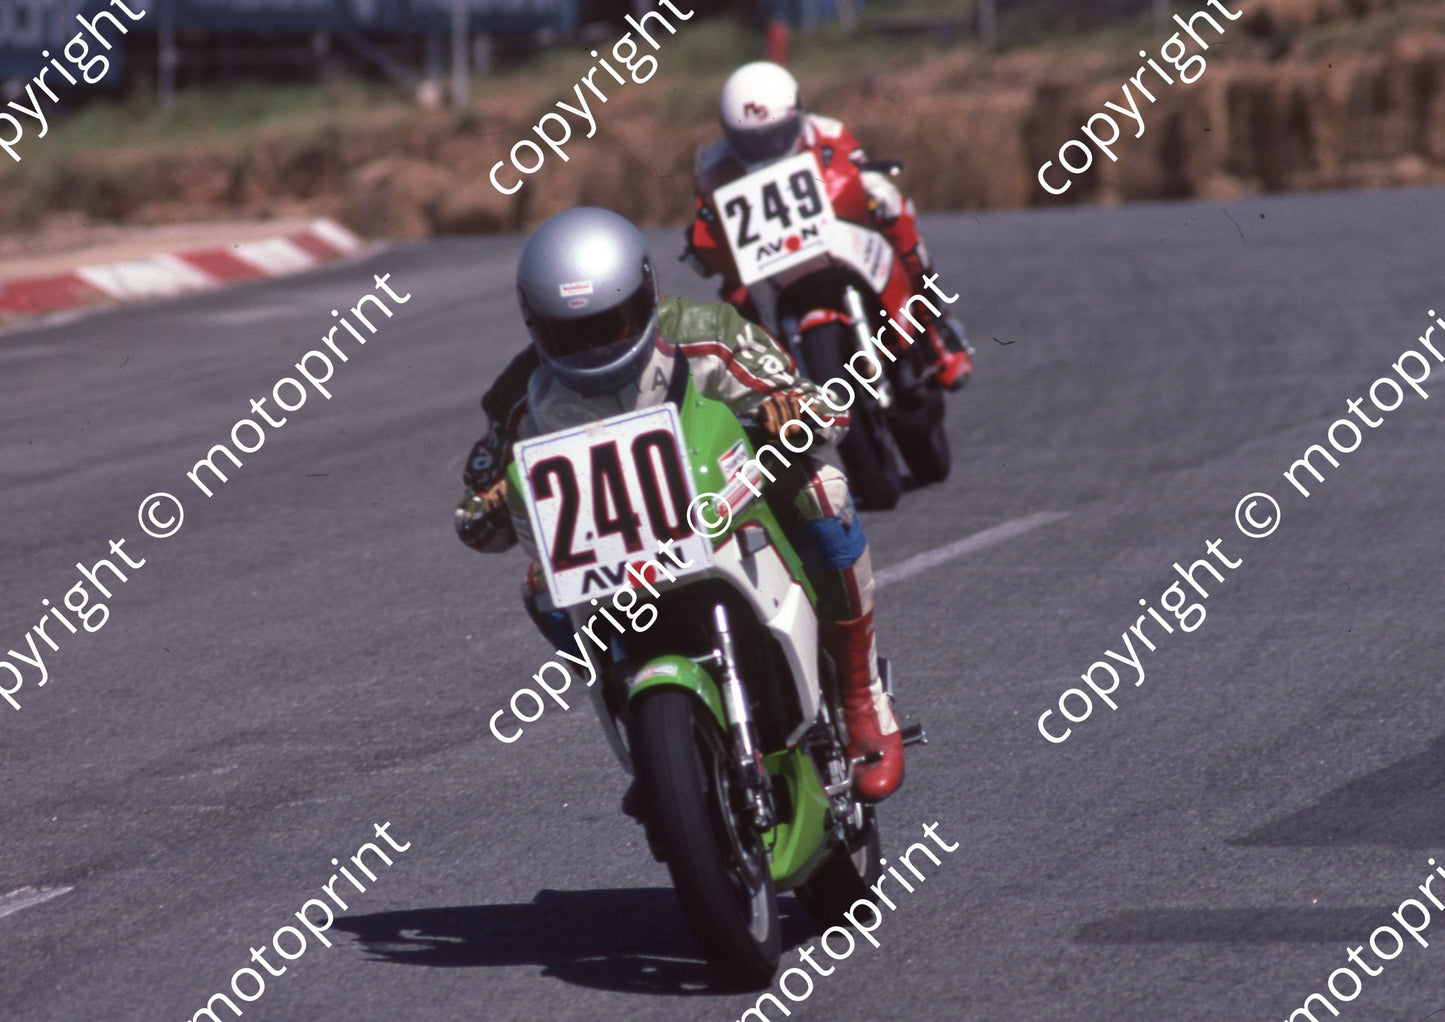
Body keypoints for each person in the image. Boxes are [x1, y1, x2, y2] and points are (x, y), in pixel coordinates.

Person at [456, 206, 904, 801]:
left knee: (823, 490)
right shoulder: (516, 396)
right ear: (535, 327)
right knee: (539, 585)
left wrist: (793, 411)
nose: (593, 350)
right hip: (614, 559)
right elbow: (479, 515)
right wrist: (489, 504)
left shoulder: (709, 332)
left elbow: (827, 406)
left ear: (645, 300)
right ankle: (646, 736)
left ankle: (858, 692)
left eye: (611, 326)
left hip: (726, 506)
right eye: (572, 336)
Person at [684, 59, 973, 390]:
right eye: (750, 142)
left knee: (897, 212)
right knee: (733, 297)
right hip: (767, 262)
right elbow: (705, 218)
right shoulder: (713, 167)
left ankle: (935, 329)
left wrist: (873, 191)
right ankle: (770, 395)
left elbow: (860, 170)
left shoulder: (828, 132)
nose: (765, 150)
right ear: (730, 135)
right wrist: (703, 241)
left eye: (776, 136)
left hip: (834, 236)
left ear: (797, 116)